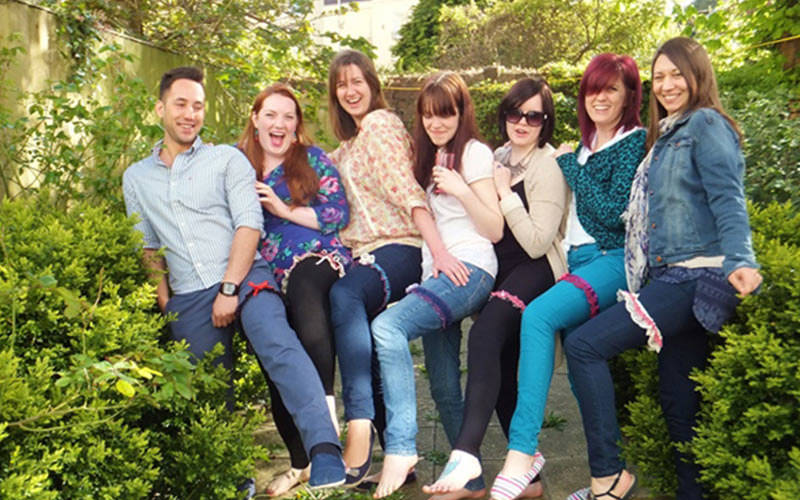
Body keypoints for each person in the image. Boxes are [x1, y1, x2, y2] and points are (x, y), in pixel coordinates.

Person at [121, 67, 345, 493]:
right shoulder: (136, 178)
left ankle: (324, 450)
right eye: (181, 104)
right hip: (187, 295)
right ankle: (233, 476)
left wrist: (228, 288)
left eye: (198, 106)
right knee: (208, 391)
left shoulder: (227, 159)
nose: (190, 114)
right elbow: (148, 245)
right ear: (160, 109)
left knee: (278, 344)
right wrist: (165, 299)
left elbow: (248, 225)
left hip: (244, 277)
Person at [564, 37, 762, 500]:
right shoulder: (669, 133)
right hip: (671, 276)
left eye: (678, 74)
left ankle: (609, 476)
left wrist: (742, 259)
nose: (668, 84)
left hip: (696, 277)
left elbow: (728, 198)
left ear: (699, 76)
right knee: (679, 401)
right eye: (661, 76)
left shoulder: (706, 125)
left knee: (584, 346)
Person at [487, 54, 647, 500]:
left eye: (611, 89)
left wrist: (569, 167)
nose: (600, 97)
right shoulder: (582, 145)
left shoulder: (633, 142)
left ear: (629, 96)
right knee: (580, 367)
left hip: (611, 258)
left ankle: (521, 453)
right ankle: (610, 479)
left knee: (537, 317)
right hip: (579, 262)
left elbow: (613, 214)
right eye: (593, 88)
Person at [326, 50, 470, 489]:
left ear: (373, 83)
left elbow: (409, 193)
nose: (351, 91)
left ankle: (360, 423)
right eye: (341, 84)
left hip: (401, 246)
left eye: (358, 81)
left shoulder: (381, 125)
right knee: (361, 332)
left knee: (345, 296)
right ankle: (394, 455)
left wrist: (438, 252)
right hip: (369, 251)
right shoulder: (349, 145)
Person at [424, 77, 569, 499]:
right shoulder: (495, 155)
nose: (522, 122)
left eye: (533, 116)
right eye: (515, 113)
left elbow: (539, 241)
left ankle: (465, 453)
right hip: (501, 271)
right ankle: (532, 480)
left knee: (485, 334)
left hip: (536, 268)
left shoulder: (548, 165)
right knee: (502, 367)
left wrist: (506, 194)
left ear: (545, 122)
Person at [371, 71, 504, 499]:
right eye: (429, 115)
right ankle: (475, 482)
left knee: (388, 328)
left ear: (461, 112)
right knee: (444, 384)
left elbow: (495, 228)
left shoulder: (475, 154)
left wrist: (463, 190)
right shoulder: (426, 160)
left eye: (445, 113)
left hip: (470, 270)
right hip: (439, 276)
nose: (437, 123)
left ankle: (402, 447)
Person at [236, 83, 351, 496]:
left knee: (304, 287)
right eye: (271, 115)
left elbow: (338, 213)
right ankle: (301, 463)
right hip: (265, 268)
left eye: (288, 116)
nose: (279, 124)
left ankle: (324, 412)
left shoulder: (312, 160)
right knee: (276, 364)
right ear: (256, 118)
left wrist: (282, 210)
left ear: (297, 124)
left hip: (316, 256)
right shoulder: (236, 164)